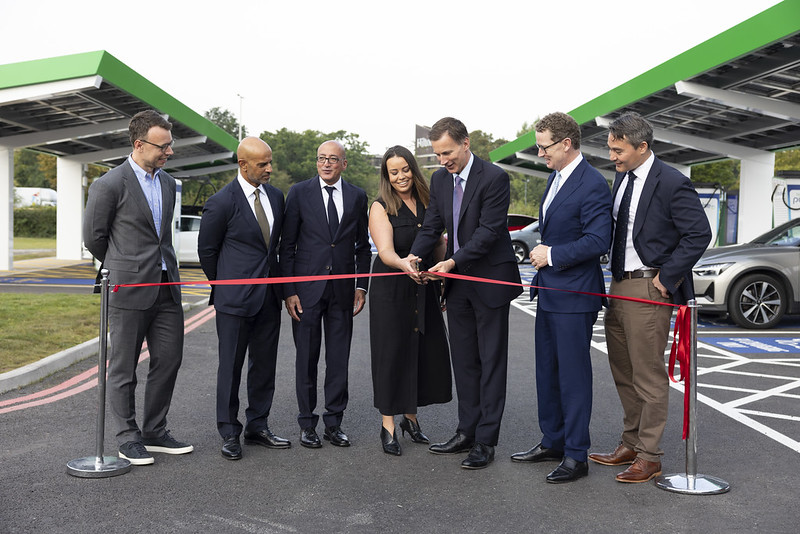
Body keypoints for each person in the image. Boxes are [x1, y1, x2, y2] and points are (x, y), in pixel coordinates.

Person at [589, 112, 712, 483]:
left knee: (647, 375)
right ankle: (631, 443)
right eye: (610, 149)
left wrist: (667, 277)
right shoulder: (622, 177)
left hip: (648, 287)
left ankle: (650, 456)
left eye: (619, 150)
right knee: (623, 370)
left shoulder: (672, 182)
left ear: (642, 146)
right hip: (618, 284)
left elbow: (699, 233)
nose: (612, 156)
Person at [400, 117, 522, 470]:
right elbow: (432, 225)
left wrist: (452, 261)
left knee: (491, 363)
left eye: (448, 152)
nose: (443, 161)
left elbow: (488, 232)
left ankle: (486, 441)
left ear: (466, 143)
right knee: (465, 362)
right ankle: (466, 431)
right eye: (438, 154)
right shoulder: (440, 180)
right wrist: (414, 256)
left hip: (489, 281)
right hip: (457, 286)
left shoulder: (495, 178)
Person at [83, 110, 192, 466]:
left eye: (170, 145)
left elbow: (162, 237)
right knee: (123, 367)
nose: (169, 152)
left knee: (169, 360)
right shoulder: (109, 184)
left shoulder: (167, 183)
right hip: (127, 288)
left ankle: (154, 432)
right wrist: (123, 266)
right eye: (163, 146)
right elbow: (94, 237)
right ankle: (127, 438)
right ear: (139, 144)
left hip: (167, 287)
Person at [510, 112, 612, 483]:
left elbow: (598, 240)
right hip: (551, 292)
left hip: (575, 294)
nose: (540, 154)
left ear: (566, 144)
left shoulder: (592, 183)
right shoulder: (556, 177)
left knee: (573, 377)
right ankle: (552, 441)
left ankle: (576, 454)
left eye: (544, 147)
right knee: (548, 373)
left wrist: (551, 254)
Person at [198, 137, 291, 460]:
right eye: (262, 164)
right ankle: (229, 431)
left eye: (269, 162)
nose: (269, 168)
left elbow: (276, 247)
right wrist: (226, 286)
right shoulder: (221, 202)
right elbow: (207, 252)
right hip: (234, 301)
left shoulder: (276, 196)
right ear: (243, 165)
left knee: (264, 366)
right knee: (231, 367)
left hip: (269, 298)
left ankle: (258, 426)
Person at [280, 140, 372, 449]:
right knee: (306, 359)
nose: (327, 164)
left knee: (338, 360)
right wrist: (289, 291)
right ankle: (307, 424)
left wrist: (361, 285)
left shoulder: (357, 196)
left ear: (344, 163)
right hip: (306, 293)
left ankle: (334, 423)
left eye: (333, 159)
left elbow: (363, 246)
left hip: (342, 293)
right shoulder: (299, 193)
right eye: (322, 158)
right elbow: (286, 246)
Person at [368, 146, 452, 456]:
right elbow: (386, 252)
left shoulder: (429, 201)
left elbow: (438, 242)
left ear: (413, 169)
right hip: (392, 288)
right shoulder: (380, 206)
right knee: (391, 353)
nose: (401, 176)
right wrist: (404, 264)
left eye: (405, 169)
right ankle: (388, 424)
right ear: (386, 176)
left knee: (421, 351)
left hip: (424, 286)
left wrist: (443, 276)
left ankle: (411, 419)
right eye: (394, 172)